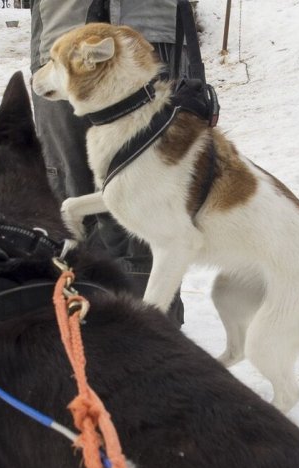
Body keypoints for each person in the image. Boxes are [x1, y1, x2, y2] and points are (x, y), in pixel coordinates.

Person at [30, 0, 186, 325]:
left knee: (153, 196)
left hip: (146, 31)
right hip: (61, 25)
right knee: (70, 186)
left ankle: (158, 334)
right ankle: (88, 322)